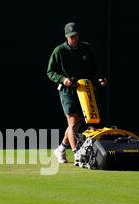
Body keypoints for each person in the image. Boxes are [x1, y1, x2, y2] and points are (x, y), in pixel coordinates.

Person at [47, 22, 107, 165]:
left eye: (75, 36)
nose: (73, 39)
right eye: (70, 37)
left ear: (78, 35)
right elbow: (50, 71)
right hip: (67, 90)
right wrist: (63, 79)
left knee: (80, 122)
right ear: (66, 37)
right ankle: (77, 154)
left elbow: (95, 67)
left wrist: (100, 78)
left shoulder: (87, 48)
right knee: (73, 122)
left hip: (84, 89)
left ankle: (61, 148)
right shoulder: (59, 51)